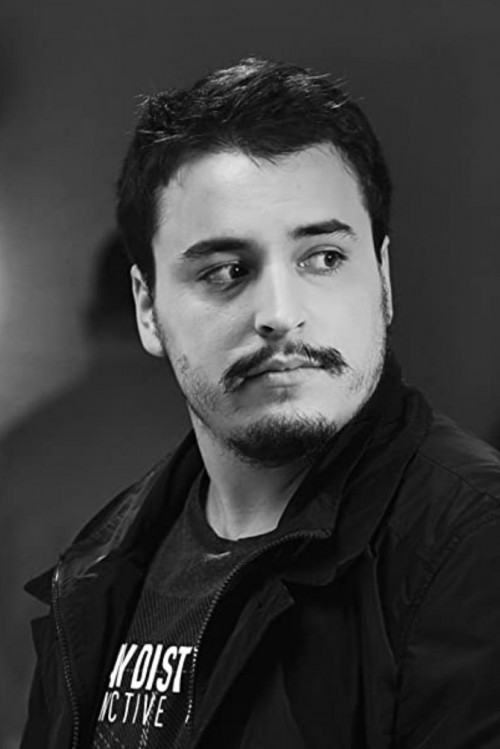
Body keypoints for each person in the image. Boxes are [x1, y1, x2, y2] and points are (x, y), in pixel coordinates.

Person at [22, 57, 500, 749]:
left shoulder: (475, 545)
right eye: (225, 271)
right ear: (148, 310)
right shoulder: (100, 564)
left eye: (323, 258)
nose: (279, 312)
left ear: (383, 279)